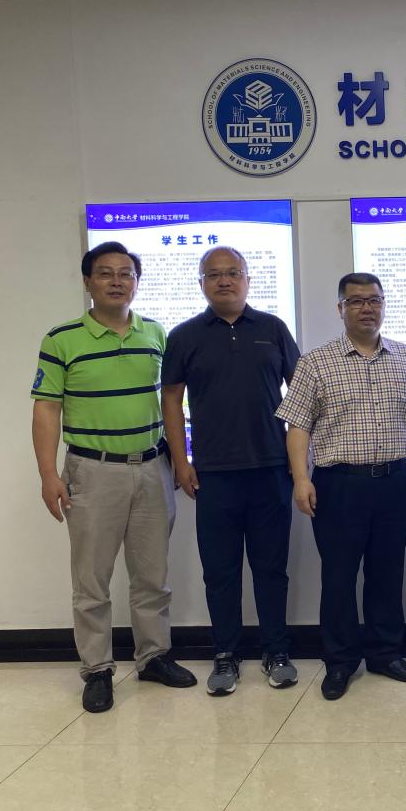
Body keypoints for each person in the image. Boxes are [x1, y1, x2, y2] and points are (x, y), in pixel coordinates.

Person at [30, 241, 196, 713]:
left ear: (137, 282)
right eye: (106, 273)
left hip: (152, 467)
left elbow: (171, 403)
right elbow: (46, 409)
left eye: (126, 273)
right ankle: (97, 669)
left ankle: (153, 657)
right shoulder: (61, 339)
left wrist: (179, 459)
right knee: (91, 580)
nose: (117, 281)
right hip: (92, 470)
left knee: (152, 575)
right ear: (88, 282)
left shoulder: (156, 334)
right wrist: (48, 474)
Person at [275, 273, 406, 700]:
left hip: (394, 481)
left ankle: (385, 654)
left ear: (384, 305)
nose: (367, 308)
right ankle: (340, 661)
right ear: (340, 308)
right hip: (338, 485)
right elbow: (297, 425)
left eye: (374, 300)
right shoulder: (316, 362)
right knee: (339, 576)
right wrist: (301, 478)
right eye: (357, 301)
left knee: (387, 572)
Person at [161, 246, 301, 697]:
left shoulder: (273, 329)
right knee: (220, 571)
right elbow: (171, 399)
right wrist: (181, 460)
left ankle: (276, 651)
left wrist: (299, 463)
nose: (224, 280)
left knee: (271, 568)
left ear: (247, 279)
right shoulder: (184, 336)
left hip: (271, 470)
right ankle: (225, 654)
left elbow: (301, 395)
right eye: (214, 274)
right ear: (201, 283)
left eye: (233, 273)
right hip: (214, 474)